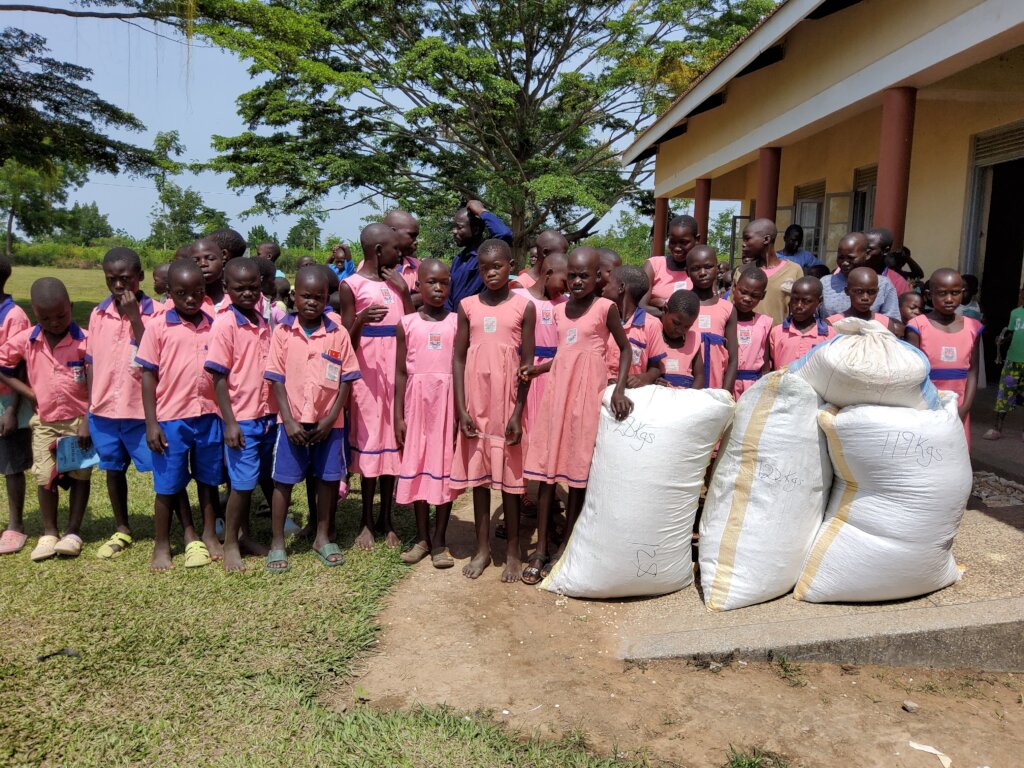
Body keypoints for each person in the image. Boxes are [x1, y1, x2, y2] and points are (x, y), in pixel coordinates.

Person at [521, 247, 632, 584]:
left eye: (586, 275)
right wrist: (538, 369)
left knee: (577, 472)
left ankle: (566, 548)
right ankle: (541, 549)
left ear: (600, 277)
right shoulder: (559, 311)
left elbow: (625, 349)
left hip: (586, 397)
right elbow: (566, 354)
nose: (578, 281)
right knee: (547, 472)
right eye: (573, 274)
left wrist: (619, 389)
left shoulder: (605, 308)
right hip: (558, 394)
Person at [450, 238, 536, 582]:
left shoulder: (522, 307)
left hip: (507, 405)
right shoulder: (467, 305)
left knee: (511, 483)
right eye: (485, 268)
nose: (491, 272)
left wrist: (518, 411)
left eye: (497, 266)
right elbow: (457, 357)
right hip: (475, 403)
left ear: (510, 265)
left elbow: (527, 363)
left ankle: (514, 551)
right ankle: (482, 548)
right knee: (480, 480)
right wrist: (461, 407)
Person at [264, 266, 360, 571]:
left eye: (318, 297)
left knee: (328, 479)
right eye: (306, 296)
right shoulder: (282, 332)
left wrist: (332, 418)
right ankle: (278, 542)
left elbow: (347, 379)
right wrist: (289, 421)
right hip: (291, 421)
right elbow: (276, 379)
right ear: (294, 296)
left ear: (325, 300)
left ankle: (322, 536)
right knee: (283, 482)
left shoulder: (338, 332)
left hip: (329, 424)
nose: (312, 302)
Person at [137, 260, 224, 571]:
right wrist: (151, 423)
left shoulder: (215, 322)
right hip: (172, 418)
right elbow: (148, 375)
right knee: (168, 483)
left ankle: (209, 534)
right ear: (169, 293)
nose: (190, 298)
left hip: (209, 416)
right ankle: (162, 543)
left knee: (208, 479)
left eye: (197, 292)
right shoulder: (158, 326)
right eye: (182, 293)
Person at [0, 279, 91, 561]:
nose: (54, 322)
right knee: (45, 477)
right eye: (45, 317)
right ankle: (49, 533)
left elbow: (97, 380)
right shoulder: (27, 340)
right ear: (35, 314)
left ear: (71, 308)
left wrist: (89, 418)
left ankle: (73, 531)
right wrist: (28, 392)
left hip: (79, 422)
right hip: (45, 422)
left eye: (61, 316)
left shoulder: (84, 341)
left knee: (80, 475)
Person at [84, 248, 163, 560]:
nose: (119, 285)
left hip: (140, 412)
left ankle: (174, 526)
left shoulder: (156, 313)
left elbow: (153, 355)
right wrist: (90, 406)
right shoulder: (97, 314)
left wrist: (134, 318)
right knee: (113, 469)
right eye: (112, 279)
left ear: (140, 277)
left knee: (162, 470)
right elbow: (90, 362)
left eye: (125, 279)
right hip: (104, 411)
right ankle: (122, 526)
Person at [339, 223, 414, 550]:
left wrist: (405, 293)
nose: (402, 254)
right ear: (379, 251)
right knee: (369, 445)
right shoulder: (350, 285)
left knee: (392, 444)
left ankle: (388, 517)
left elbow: (412, 326)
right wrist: (360, 320)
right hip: (367, 376)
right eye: (397, 249)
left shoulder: (399, 284)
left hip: (396, 374)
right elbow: (344, 341)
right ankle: (366, 521)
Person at [204, 258, 276, 572]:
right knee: (241, 486)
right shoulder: (225, 323)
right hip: (242, 418)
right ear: (226, 288)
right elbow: (218, 377)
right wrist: (230, 422)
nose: (247, 293)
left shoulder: (262, 321)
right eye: (239, 288)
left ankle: (246, 536)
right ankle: (231, 542)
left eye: (253, 287)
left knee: (258, 481)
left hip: (267, 415)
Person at [394, 259, 458, 568]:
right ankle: (422, 537)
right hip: (416, 405)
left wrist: (461, 411)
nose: (438, 288)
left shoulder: (458, 322)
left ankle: (440, 539)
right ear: (417, 285)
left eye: (444, 283)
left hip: (446, 405)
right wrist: (397, 415)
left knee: (444, 467)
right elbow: (400, 374)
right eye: (431, 282)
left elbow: (461, 369)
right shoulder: (406, 323)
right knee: (418, 466)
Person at [905, 269, 982, 442]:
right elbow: (912, 372)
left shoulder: (973, 327)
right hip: (926, 403)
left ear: (962, 293)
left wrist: (965, 407)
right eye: (942, 294)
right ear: (928, 294)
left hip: (959, 403)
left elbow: (973, 371)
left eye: (955, 293)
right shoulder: (917, 326)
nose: (949, 299)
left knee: (956, 452)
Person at [0, 258, 34, 555]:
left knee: (11, 463)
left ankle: (15, 525)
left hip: (8, 401)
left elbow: (23, 366)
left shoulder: (14, 316)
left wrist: (12, 409)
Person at [513, 252, 569, 430]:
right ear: (549, 273)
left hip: (551, 371)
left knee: (545, 424)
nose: (566, 288)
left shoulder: (565, 303)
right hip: (521, 368)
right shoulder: (516, 296)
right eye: (564, 281)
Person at [603, 265, 667, 388]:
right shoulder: (600, 319)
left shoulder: (651, 324)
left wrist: (644, 378)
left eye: (607, 284)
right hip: (600, 390)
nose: (603, 288)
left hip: (632, 394)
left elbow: (656, 368)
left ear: (621, 288)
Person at [447, 199, 513, 311]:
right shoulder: (458, 260)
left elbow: (504, 234)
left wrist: (482, 211)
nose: (454, 231)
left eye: (459, 227)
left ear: (476, 230)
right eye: (454, 227)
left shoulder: (487, 257)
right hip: (456, 323)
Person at [688, 245, 737, 392]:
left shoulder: (727, 308)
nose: (702, 273)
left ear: (717, 269)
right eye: (696, 268)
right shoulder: (681, 303)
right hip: (685, 387)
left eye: (708, 267)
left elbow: (733, 358)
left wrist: (726, 392)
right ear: (687, 271)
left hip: (717, 388)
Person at [821, 232, 900, 320]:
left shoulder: (883, 284)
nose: (845, 263)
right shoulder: (825, 283)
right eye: (841, 257)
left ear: (867, 254)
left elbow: (894, 324)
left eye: (851, 258)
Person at [738, 218, 803, 324]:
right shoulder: (742, 271)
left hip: (778, 338)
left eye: (747, 239)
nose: (743, 244)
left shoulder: (794, 270)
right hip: (746, 338)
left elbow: (798, 309)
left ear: (766, 239)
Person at [983, 285, 1024, 441]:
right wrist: (1002, 340)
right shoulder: (1016, 313)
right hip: (1012, 361)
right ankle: (997, 428)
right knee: (1004, 394)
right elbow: (1013, 333)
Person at [769, 276, 835, 369]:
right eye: (795, 299)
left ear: (819, 301)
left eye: (806, 301)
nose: (798, 306)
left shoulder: (829, 335)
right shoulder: (777, 332)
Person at [641, 215, 696, 316]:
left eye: (683, 242)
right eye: (672, 242)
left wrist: (657, 304)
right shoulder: (654, 265)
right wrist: (670, 316)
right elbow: (640, 306)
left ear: (697, 239)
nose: (677, 248)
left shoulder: (701, 270)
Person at [731, 267, 772, 399]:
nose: (747, 299)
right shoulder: (724, 319)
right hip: (727, 383)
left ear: (763, 296)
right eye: (743, 292)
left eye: (754, 296)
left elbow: (765, 363)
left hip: (754, 387)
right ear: (734, 287)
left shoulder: (765, 322)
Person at [826, 266, 904, 335]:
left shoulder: (885, 323)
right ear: (847, 291)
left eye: (871, 292)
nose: (865, 298)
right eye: (859, 291)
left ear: (877, 292)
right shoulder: (833, 323)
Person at [659, 289, 705, 390]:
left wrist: (690, 397)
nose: (680, 330)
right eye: (676, 323)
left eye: (687, 326)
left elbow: (700, 376)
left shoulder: (694, 339)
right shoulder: (654, 334)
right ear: (665, 310)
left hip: (687, 398)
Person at [384, 210, 423, 299]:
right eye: (411, 236)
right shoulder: (370, 267)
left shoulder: (419, 267)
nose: (416, 241)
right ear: (392, 233)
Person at [864, 227, 910, 297]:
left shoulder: (897, 282)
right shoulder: (848, 274)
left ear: (886, 251)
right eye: (861, 248)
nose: (863, 252)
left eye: (869, 249)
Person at [189, 237, 228, 311]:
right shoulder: (185, 303)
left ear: (223, 256)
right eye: (195, 261)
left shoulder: (238, 298)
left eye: (210, 258)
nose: (203, 264)